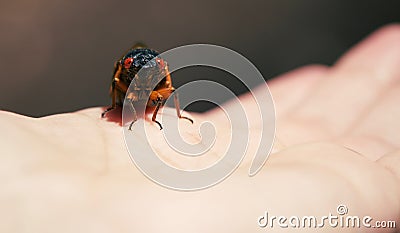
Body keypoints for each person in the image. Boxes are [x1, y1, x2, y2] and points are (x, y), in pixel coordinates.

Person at [0, 24, 399, 232]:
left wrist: (157, 111)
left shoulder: (161, 79)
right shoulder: (128, 75)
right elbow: (120, 84)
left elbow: (165, 87)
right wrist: (118, 105)